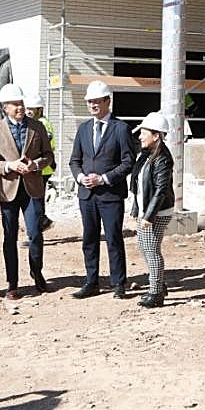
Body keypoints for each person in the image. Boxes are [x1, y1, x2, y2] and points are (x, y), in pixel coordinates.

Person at [0, 84, 55, 299]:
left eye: (21, 103)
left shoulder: (37, 127)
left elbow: (48, 156)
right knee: (9, 236)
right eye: (15, 104)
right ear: (5, 107)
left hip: (33, 188)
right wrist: (9, 166)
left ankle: (37, 272)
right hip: (8, 189)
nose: (20, 107)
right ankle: (12, 283)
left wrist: (36, 165)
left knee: (35, 234)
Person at [69, 80, 137, 299]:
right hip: (87, 195)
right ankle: (92, 281)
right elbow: (75, 160)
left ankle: (119, 283)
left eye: (97, 101)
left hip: (110, 194)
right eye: (90, 102)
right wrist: (81, 178)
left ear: (108, 101)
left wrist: (104, 179)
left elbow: (128, 162)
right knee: (89, 238)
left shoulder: (121, 128)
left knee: (113, 239)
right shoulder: (84, 129)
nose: (93, 106)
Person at [130, 111, 176, 309]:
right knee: (144, 247)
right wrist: (136, 207)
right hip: (146, 210)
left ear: (156, 135)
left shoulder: (162, 159)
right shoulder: (147, 155)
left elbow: (161, 190)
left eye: (144, 132)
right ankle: (158, 283)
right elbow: (140, 184)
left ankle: (156, 293)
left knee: (151, 250)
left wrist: (149, 215)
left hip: (158, 212)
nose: (140, 136)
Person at [24, 93, 56, 233]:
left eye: (32, 109)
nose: (29, 112)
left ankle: (39, 224)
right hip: (41, 168)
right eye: (28, 108)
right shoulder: (39, 122)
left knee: (36, 199)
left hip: (43, 168)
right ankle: (41, 222)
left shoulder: (42, 124)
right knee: (37, 199)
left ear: (39, 110)